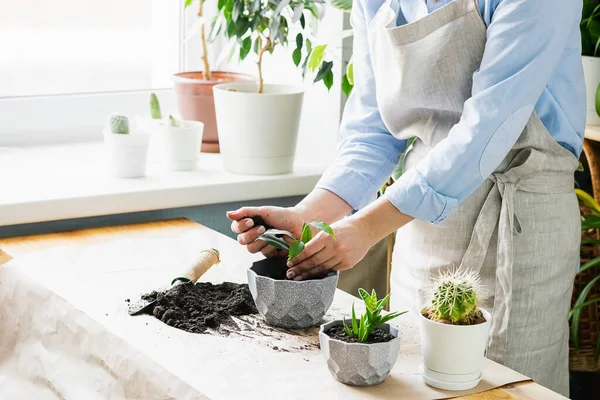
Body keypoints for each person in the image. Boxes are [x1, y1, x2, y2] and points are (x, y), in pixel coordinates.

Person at [227, 0, 585, 395]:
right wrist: (309, 216)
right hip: (416, 222)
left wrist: (366, 227)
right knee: (411, 380)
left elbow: (490, 126)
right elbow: (372, 130)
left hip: (519, 223)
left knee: (507, 388)